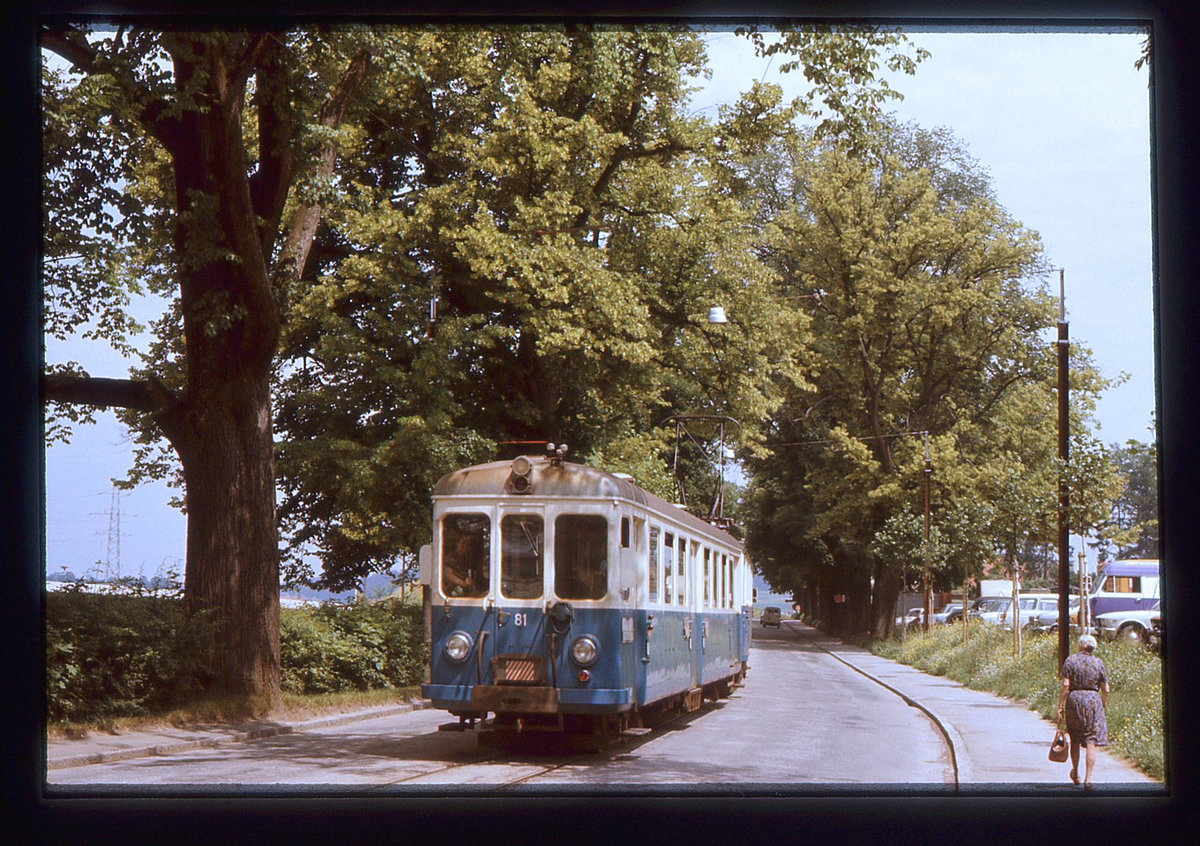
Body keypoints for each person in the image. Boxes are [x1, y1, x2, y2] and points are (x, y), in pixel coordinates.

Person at [1057, 633, 1110, 789]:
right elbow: (1105, 688)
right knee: (1091, 740)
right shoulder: (1098, 662)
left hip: (1074, 699)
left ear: (1080, 645)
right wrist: (1103, 702)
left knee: (1075, 737)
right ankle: (1088, 779)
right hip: (1093, 700)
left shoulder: (1071, 660)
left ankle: (1076, 774)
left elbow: (1066, 684)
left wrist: (1060, 704)